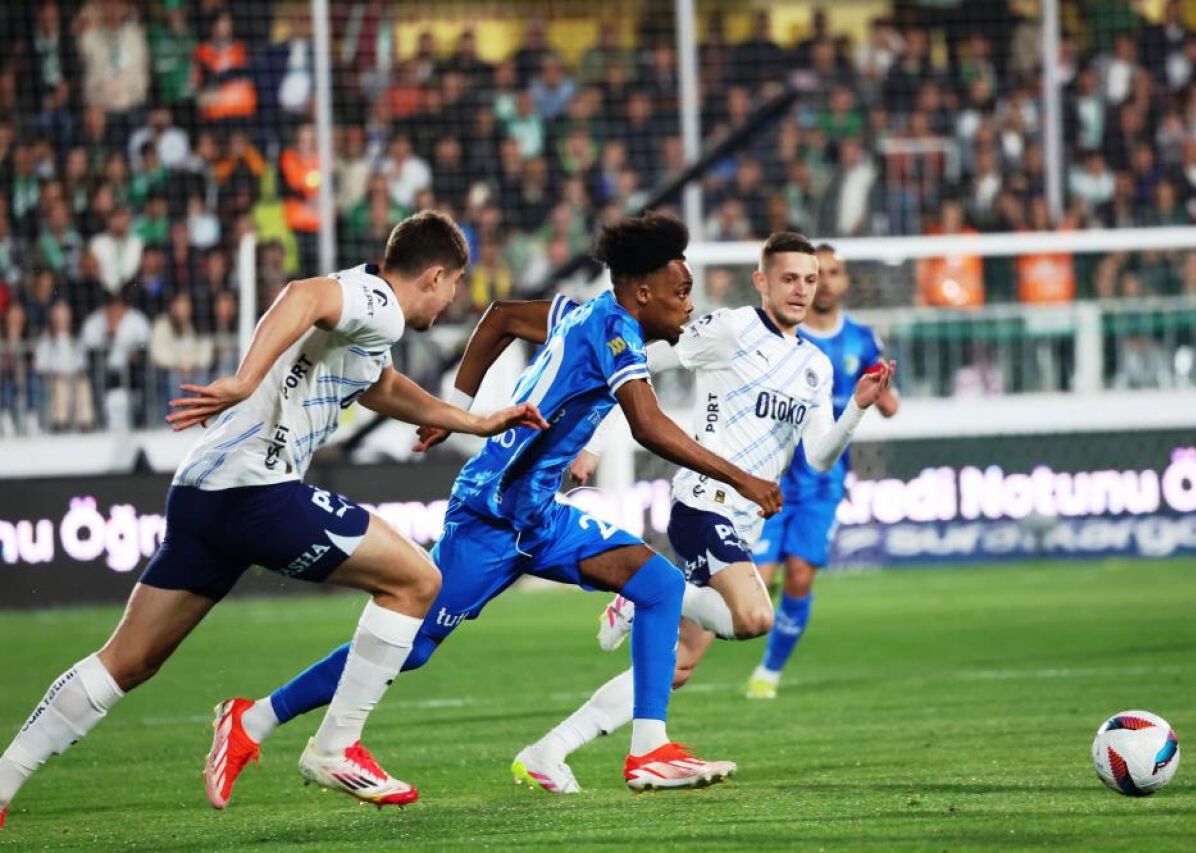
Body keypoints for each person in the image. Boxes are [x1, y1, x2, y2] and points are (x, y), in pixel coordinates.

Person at [206, 213, 782, 804]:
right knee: (413, 646)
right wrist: (741, 479)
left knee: (658, 586)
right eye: (681, 292)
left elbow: (502, 316)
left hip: (539, 516)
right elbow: (648, 425)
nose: (689, 306)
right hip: (493, 515)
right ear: (642, 292)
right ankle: (254, 719)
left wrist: (454, 409)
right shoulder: (616, 332)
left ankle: (650, 751)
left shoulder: (583, 313)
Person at [0, 212, 547, 827]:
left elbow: (381, 385)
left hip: (203, 492)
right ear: (436, 275)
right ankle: (335, 746)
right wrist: (245, 379)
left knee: (128, 661)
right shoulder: (378, 304)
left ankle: (3, 781)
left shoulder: (365, 318)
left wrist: (471, 421)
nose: (451, 301)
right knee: (417, 581)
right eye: (454, 286)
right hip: (257, 489)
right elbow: (301, 295)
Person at [515, 233, 896, 793]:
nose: (801, 290)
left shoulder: (815, 365)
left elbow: (817, 457)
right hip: (703, 503)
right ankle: (646, 593)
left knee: (677, 667)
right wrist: (591, 442)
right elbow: (630, 363)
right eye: (789, 278)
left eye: (810, 280)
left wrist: (857, 408)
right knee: (755, 618)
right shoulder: (730, 329)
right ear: (762, 281)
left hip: (744, 522)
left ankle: (548, 752)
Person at [746, 245, 900, 700]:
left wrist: (883, 395)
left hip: (822, 481)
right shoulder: (780, 337)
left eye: (833, 273)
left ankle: (769, 673)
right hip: (771, 476)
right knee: (757, 584)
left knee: (799, 576)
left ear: (844, 281)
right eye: (819, 274)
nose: (826, 282)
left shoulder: (862, 339)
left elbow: (889, 403)